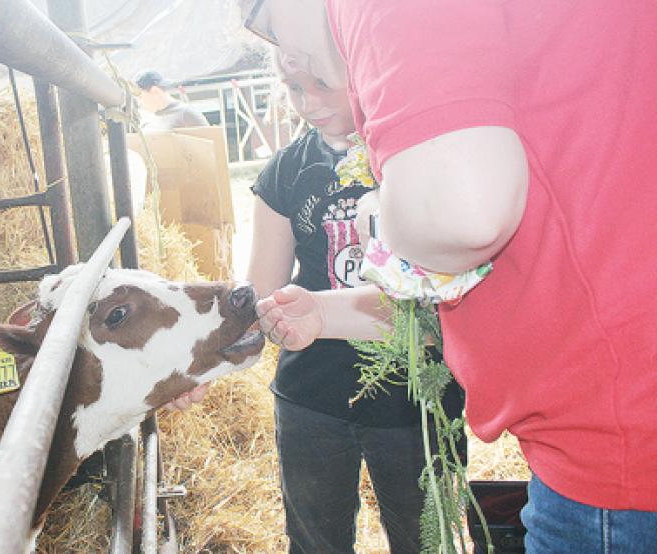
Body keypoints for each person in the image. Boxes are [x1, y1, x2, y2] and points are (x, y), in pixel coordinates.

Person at [244, 0, 657, 550]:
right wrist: (322, 312)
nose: (288, 57)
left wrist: (377, 214)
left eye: (268, 25)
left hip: (616, 441)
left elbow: (464, 213)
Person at [247, 49, 464, 554]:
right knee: (316, 541)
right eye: (294, 88)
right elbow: (260, 292)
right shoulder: (285, 171)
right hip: (312, 395)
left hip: (416, 395)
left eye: (323, 83)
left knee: (427, 540)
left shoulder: (414, 156)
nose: (309, 103)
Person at [133, 70, 209, 131]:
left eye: (140, 97)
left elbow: (212, 145)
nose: (139, 102)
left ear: (155, 91)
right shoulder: (146, 116)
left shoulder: (186, 114)